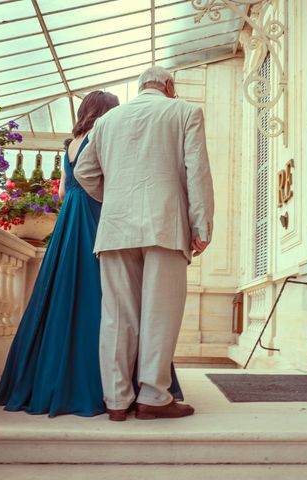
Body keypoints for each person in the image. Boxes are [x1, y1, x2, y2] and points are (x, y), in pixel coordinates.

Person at [0, 90, 183, 416]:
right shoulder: (106, 133)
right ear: (109, 113)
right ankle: (118, 388)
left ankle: (50, 381)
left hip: (69, 221)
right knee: (115, 302)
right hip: (99, 218)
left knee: (61, 297)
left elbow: (65, 190)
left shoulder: (71, 144)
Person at [75, 66, 214, 421]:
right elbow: (196, 170)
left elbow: (84, 172)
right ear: (168, 86)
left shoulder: (107, 121)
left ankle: (117, 401)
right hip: (164, 225)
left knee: (117, 316)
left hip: (116, 227)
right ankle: (153, 395)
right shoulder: (184, 111)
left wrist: (116, 198)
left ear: (140, 87)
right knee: (160, 314)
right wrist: (201, 225)